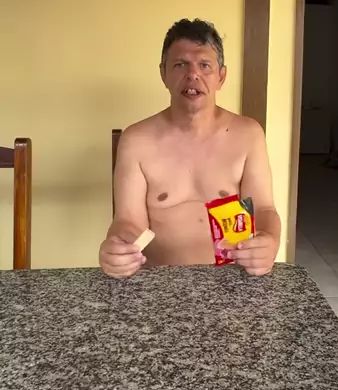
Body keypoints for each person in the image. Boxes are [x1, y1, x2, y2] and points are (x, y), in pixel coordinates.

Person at [99, 18, 281, 278]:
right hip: (159, 281)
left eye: (205, 65)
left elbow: (264, 210)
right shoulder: (136, 139)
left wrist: (269, 241)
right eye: (180, 64)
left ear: (221, 77)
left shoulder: (248, 134)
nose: (192, 74)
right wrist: (118, 248)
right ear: (163, 74)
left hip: (232, 279)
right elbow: (128, 221)